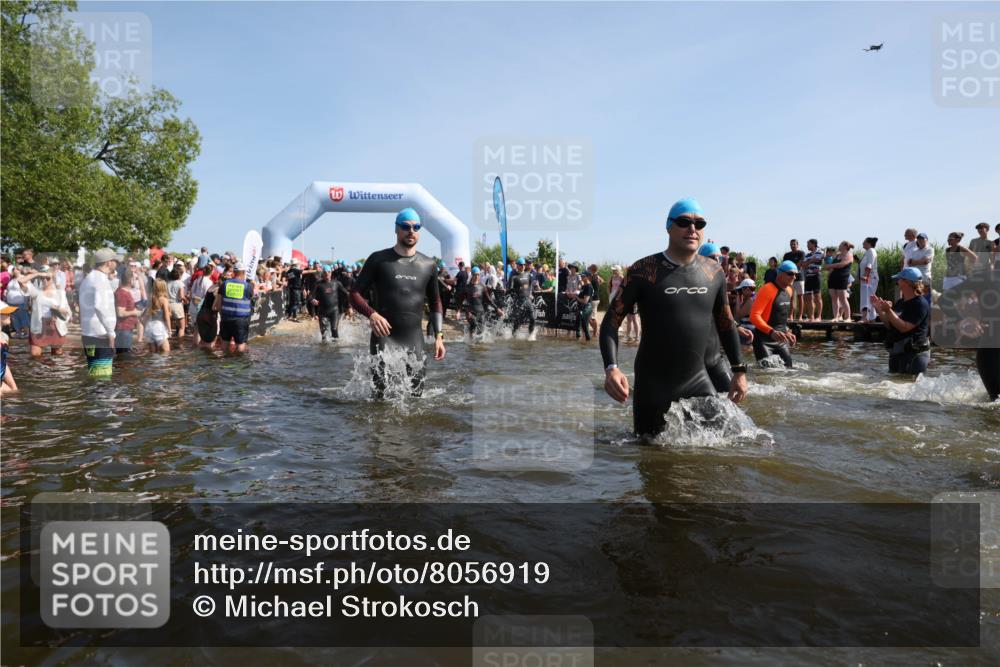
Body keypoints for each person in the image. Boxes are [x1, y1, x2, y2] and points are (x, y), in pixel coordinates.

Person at [600, 197, 748, 437]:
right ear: (669, 226)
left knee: (732, 446)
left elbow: (726, 323)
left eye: (699, 224)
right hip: (654, 386)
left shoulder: (713, 272)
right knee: (650, 453)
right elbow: (610, 323)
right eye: (684, 222)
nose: (692, 229)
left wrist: (739, 371)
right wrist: (612, 369)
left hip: (698, 380)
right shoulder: (643, 271)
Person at [350, 208, 446, 397]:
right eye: (405, 226)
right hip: (383, 336)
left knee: (417, 397)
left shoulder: (428, 264)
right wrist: (372, 314)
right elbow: (354, 294)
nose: (411, 231)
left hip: (414, 338)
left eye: (416, 227)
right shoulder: (379, 259)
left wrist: (439, 336)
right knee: (379, 397)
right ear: (396, 229)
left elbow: (435, 302)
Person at [871, 267, 930, 375]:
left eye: (899, 279)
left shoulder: (920, 304)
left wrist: (888, 310)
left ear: (906, 282)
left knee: (909, 383)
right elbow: (890, 325)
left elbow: (904, 327)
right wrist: (879, 309)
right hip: (898, 351)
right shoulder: (900, 302)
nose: (897, 282)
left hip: (914, 355)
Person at [749, 260, 798, 368]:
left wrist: (787, 331)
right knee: (768, 374)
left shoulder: (789, 291)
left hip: (781, 340)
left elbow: (781, 317)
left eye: (796, 274)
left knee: (790, 370)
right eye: (790, 274)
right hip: (764, 340)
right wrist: (771, 331)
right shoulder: (767, 289)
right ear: (780, 273)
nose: (794, 277)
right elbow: (754, 316)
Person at [78, 248, 119, 377]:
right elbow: (101, 307)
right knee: (102, 377)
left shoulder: (88, 278)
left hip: (88, 335)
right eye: (115, 261)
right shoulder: (100, 280)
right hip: (100, 335)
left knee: (94, 373)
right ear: (109, 262)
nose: (117, 264)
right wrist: (111, 332)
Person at [12, 266, 69, 356]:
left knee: (57, 355)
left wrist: (58, 310)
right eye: (43, 278)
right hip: (39, 325)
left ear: (53, 279)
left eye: (48, 278)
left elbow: (66, 311)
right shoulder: (36, 292)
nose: (45, 280)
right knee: (35, 354)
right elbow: (20, 281)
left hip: (56, 325)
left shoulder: (60, 293)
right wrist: (37, 274)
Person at [214, 263, 254, 354]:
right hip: (241, 320)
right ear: (243, 272)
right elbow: (252, 301)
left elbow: (218, 304)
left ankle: (225, 360)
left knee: (224, 345)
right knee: (240, 346)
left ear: (234, 272)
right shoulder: (247, 286)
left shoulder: (224, 284)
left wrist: (222, 314)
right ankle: (239, 361)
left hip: (226, 318)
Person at [310, 269, 350, 342]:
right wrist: (312, 300)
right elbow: (311, 296)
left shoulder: (336, 283)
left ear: (331, 273)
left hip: (334, 311)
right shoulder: (318, 284)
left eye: (329, 272)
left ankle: (336, 346)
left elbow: (346, 294)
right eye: (325, 272)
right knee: (324, 333)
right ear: (322, 274)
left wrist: (349, 307)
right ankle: (324, 347)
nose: (327, 274)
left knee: (334, 329)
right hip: (322, 311)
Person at [463, 266, 503, 336]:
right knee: (474, 325)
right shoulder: (467, 287)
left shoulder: (482, 287)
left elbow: (488, 300)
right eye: (475, 275)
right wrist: (466, 311)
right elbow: (463, 301)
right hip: (471, 312)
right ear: (472, 274)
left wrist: (497, 309)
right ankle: (470, 341)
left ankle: (474, 341)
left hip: (481, 312)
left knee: (480, 332)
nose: (477, 277)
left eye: (478, 275)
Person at [823, 241, 855, 321]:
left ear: (845, 246)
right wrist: (828, 272)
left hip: (842, 278)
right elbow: (831, 267)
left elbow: (842, 264)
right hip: (833, 278)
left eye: (840, 244)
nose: (839, 245)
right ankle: (836, 317)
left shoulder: (849, 254)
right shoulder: (837, 255)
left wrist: (829, 266)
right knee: (834, 298)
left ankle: (848, 317)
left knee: (843, 298)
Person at [114, 268, 143, 354]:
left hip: (126, 330)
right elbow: (120, 313)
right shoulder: (122, 293)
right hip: (123, 330)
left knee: (125, 356)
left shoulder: (124, 292)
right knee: (124, 358)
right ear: (130, 280)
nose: (136, 281)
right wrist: (135, 312)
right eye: (135, 279)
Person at [507, 257, 538, 337]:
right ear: (517, 265)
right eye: (521, 265)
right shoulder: (514, 277)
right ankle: (513, 336)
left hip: (527, 300)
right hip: (518, 301)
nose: (523, 266)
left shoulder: (528, 274)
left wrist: (530, 293)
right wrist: (516, 290)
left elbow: (531, 285)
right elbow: (509, 290)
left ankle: (531, 336)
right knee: (517, 321)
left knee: (532, 318)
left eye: (524, 265)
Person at [144, 279, 171, 353]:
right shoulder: (163, 300)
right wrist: (169, 330)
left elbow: (144, 316)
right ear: (163, 288)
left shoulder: (150, 298)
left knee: (153, 352)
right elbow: (166, 316)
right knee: (166, 351)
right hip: (159, 326)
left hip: (149, 326)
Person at [782, 239, 806, 321]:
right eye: (791, 244)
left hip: (799, 278)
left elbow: (800, 264)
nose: (792, 246)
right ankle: (790, 315)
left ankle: (800, 316)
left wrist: (790, 268)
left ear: (797, 245)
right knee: (790, 297)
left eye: (794, 244)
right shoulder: (787, 255)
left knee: (800, 296)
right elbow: (784, 266)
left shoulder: (801, 253)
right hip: (789, 279)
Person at [801, 239, 824, 321]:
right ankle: (811, 317)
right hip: (808, 277)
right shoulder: (807, 255)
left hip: (816, 277)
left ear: (813, 244)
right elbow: (803, 265)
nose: (807, 246)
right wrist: (811, 260)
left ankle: (819, 316)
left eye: (808, 244)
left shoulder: (820, 252)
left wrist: (819, 267)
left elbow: (822, 261)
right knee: (808, 298)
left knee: (817, 297)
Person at [908, 233, 935, 304]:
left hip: (925, 278)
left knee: (926, 298)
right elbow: (909, 262)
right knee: (916, 298)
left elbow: (925, 261)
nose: (920, 240)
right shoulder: (914, 251)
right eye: (919, 239)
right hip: (915, 279)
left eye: (922, 239)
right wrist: (919, 261)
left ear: (927, 240)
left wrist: (915, 262)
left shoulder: (929, 250)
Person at [858, 237, 880, 322]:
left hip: (869, 278)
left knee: (866, 297)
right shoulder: (868, 252)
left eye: (864, 242)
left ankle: (865, 317)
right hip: (867, 278)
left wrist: (866, 276)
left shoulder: (871, 251)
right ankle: (872, 317)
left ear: (869, 243)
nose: (862, 243)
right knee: (869, 297)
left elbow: (870, 264)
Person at [0, 300, 18, 397]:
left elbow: (2, 362)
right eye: (7, 313)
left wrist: (13, 387)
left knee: (13, 393)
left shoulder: (4, 337)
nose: (10, 315)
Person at [166, 264, 188, 338]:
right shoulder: (180, 283)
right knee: (182, 327)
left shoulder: (167, 283)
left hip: (168, 305)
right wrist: (186, 300)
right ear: (179, 275)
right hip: (177, 305)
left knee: (168, 326)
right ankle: (180, 343)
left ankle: (167, 342)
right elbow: (181, 296)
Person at [574, 273, 595, 341]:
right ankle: (578, 340)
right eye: (581, 276)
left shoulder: (589, 287)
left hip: (587, 307)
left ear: (587, 277)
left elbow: (585, 301)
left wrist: (577, 298)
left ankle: (588, 340)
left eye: (583, 276)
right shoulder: (583, 286)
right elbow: (579, 293)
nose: (581, 277)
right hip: (581, 307)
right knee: (578, 323)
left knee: (584, 324)